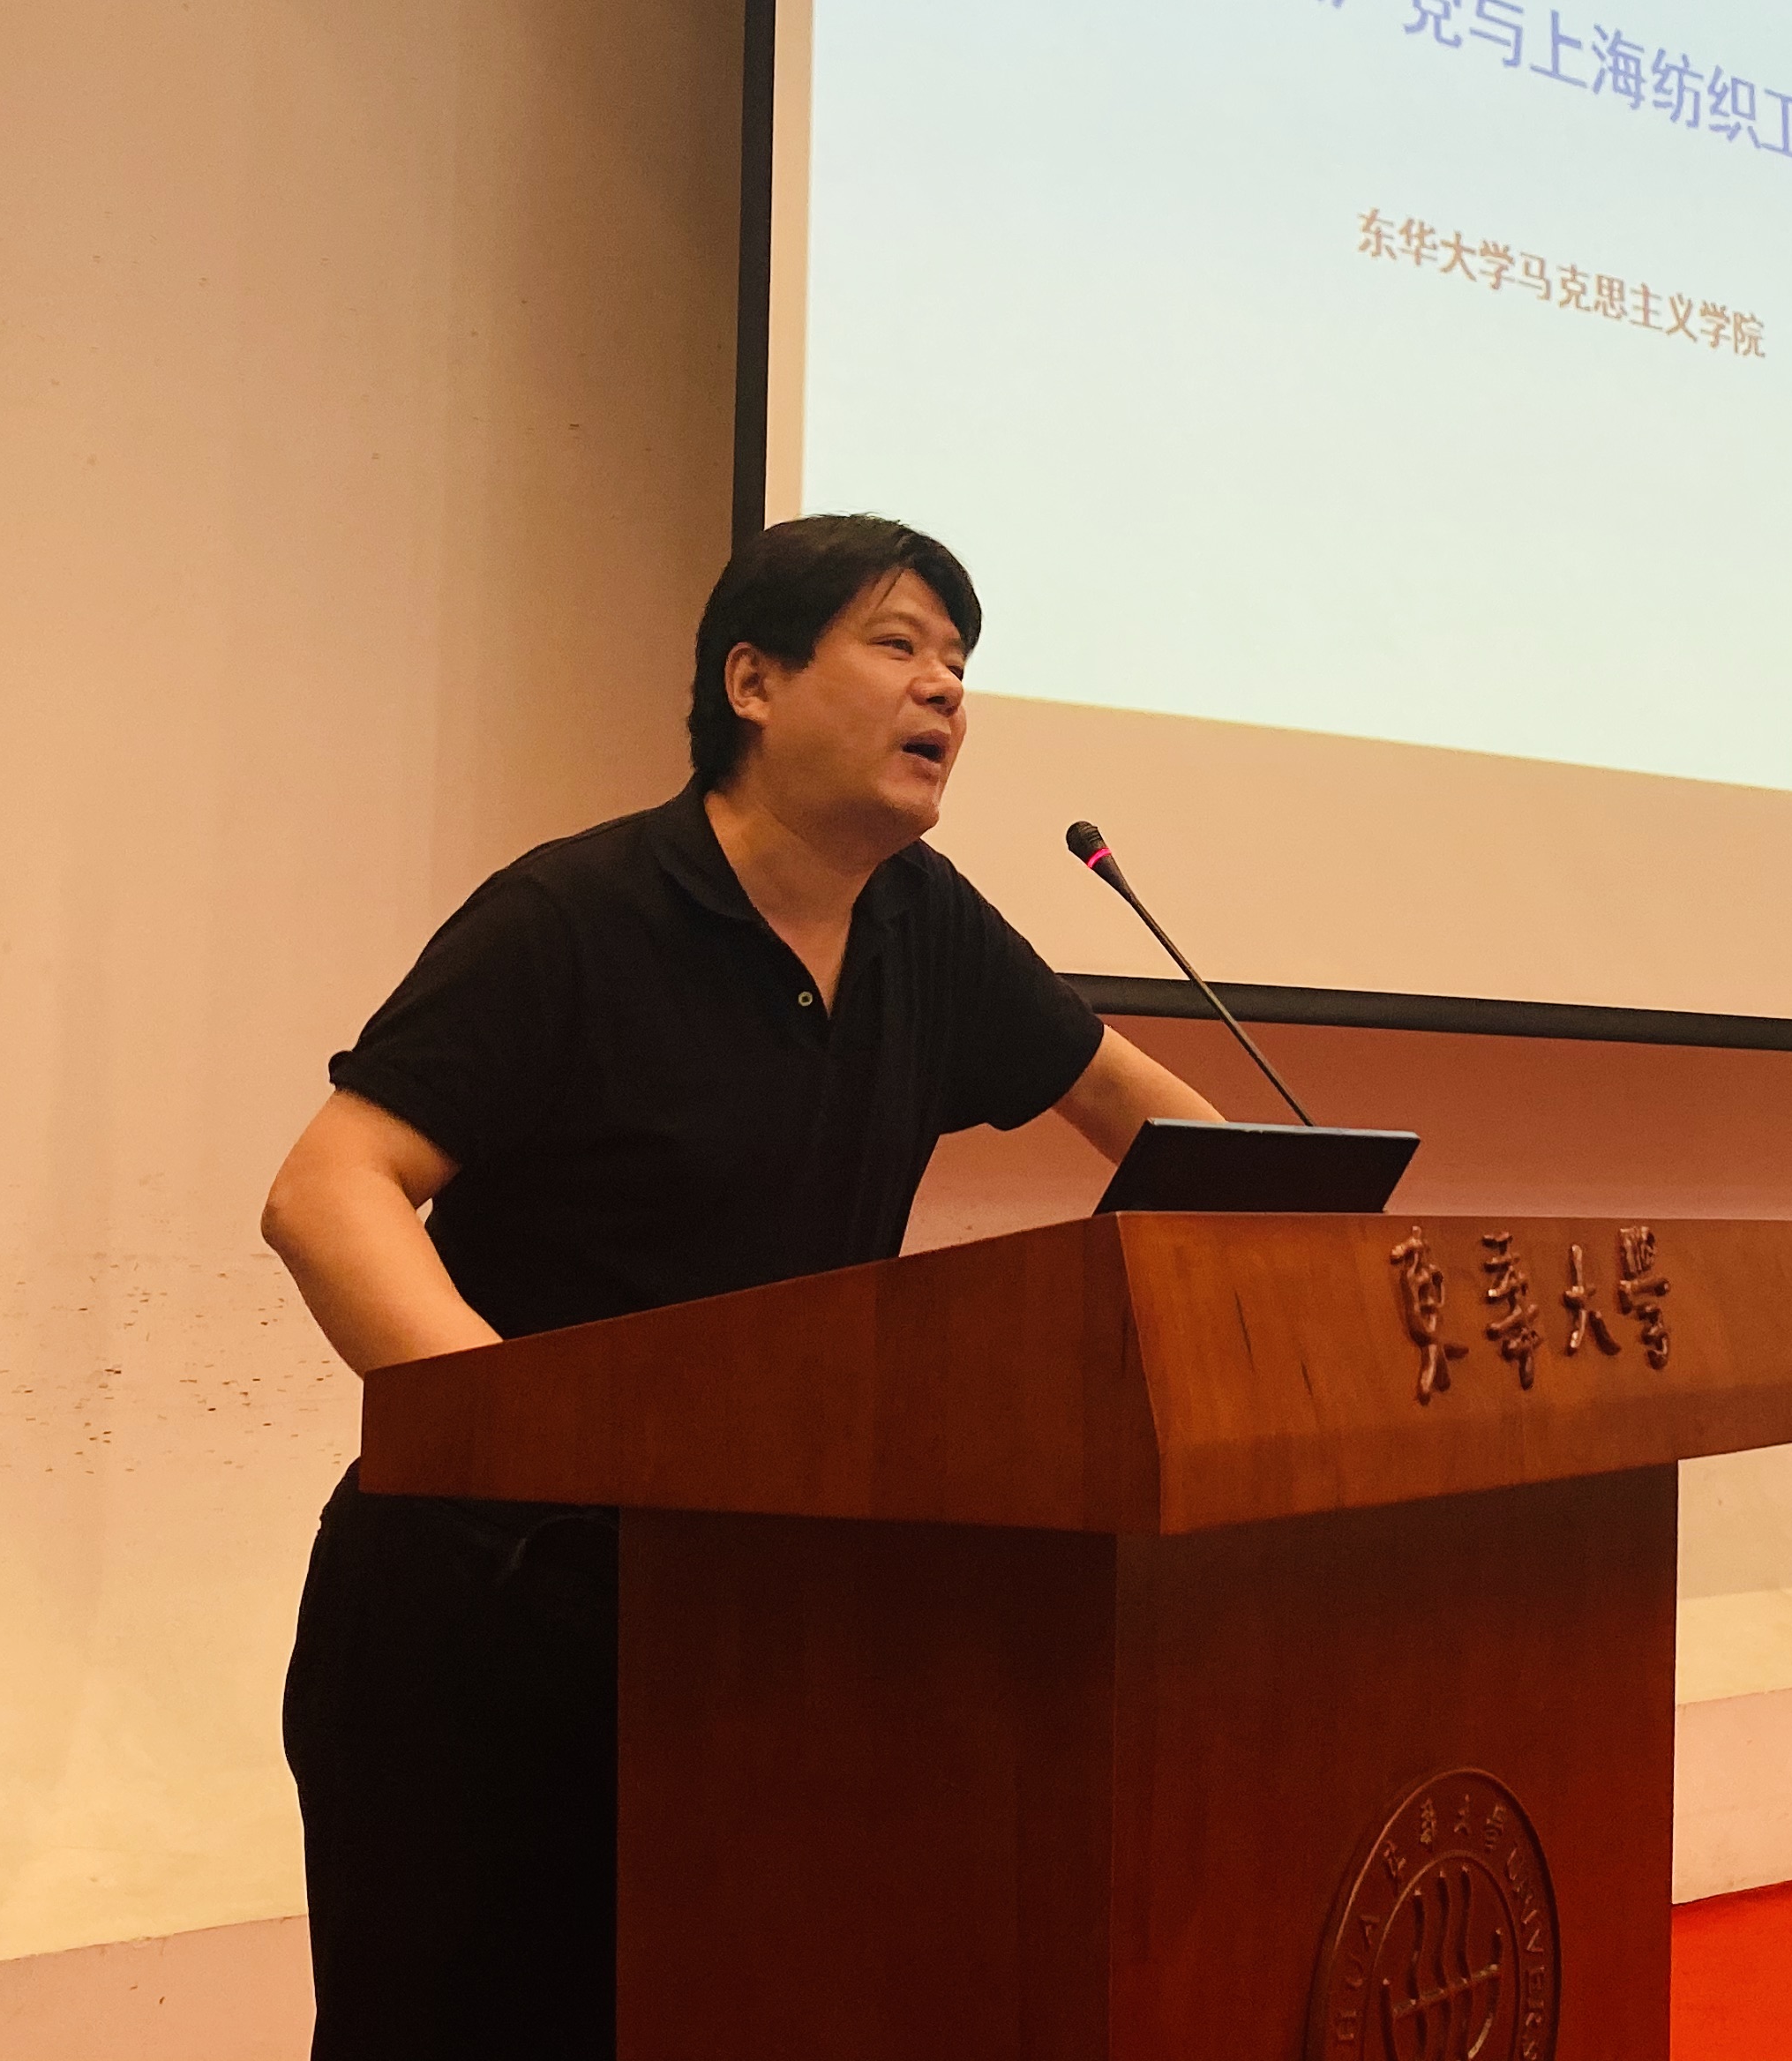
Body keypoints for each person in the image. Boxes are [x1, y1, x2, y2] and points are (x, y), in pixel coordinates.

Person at [259, 513, 1222, 2058]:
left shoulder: (924, 925)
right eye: (899, 645)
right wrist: (526, 1431)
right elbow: (329, 1191)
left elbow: (1143, 1114)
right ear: (753, 682)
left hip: (752, 1611)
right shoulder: (574, 917)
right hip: (489, 1614)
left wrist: (1275, 1241)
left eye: (960, 662)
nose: (945, 689)